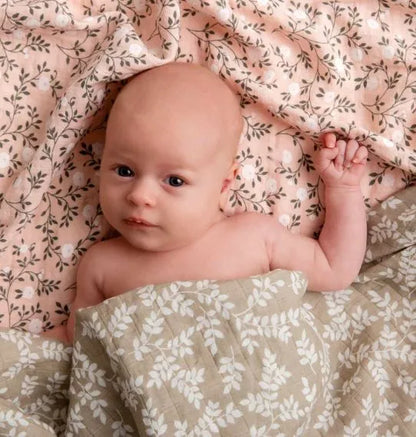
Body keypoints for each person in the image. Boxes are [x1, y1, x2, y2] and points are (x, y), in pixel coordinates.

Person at [44, 62, 368, 343]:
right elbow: (76, 345)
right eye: (124, 171)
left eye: (174, 181)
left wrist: (343, 190)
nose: (139, 195)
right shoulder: (102, 266)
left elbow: (334, 269)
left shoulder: (254, 238)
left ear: (224, 185)